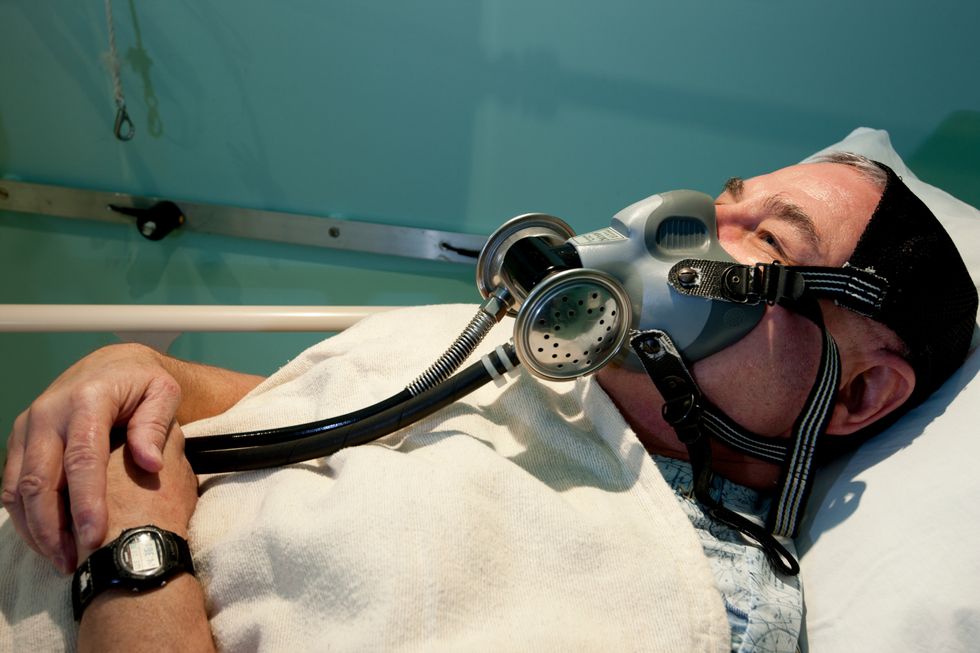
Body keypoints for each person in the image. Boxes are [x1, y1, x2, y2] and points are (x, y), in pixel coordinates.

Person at [2, 153, 976, 652]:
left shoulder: (693, 602)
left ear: (854, 391)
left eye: (762, 234)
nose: (663, 224)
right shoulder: (506, 360)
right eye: (717, 199)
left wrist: (130, 546)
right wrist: (129, 368)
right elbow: (299, 414)